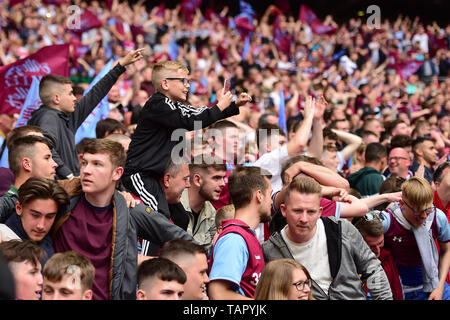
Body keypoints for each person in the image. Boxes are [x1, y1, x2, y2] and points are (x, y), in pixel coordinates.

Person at [51, 138, 195, 300]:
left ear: (117, 173)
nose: (86, 170)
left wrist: (157, 264)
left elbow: (186, 242)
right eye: (84, 163)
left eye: (97, 164)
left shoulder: (130, 210)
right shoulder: (63, 201)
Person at [123, 60, 251, 219]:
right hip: (139, 174)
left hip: (156, 177)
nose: (188, 86)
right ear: (165, 84)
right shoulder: (157, 104)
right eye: (183, 81)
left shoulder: (176, 106)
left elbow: (199, 114)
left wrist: (233, 106)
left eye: (188, 81)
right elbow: (190, 122)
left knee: (181, 219)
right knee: (157, 217)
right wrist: (220, 106)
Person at [262, 176, 393, 300]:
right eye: (297, 211)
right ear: (284, 210)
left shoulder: (342, 230)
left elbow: (373, 270)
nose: (304, 219)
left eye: (311, 212)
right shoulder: (271, 251)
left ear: (320, 212)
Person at [28, 49, 144, 180]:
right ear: (56, 98)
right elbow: (44, 146)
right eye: (70, 93)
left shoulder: (66, 116)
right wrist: (69, 175)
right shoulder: (48, 117)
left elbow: (95, 94)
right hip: (58, 190)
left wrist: (121, 65)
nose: (74, 98)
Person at [380, 177, 450, 300]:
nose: (423, 216)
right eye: (417, 212)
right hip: (400, 289)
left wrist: (439, 287)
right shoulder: (388, 220)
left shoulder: (437, 217)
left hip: (434, 285)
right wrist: (384, 198)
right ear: (402, 204)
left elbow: (447, 250)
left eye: (427, 210)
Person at [208, 166, 273, 299]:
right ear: (259, 195)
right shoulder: (234, 239)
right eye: (270, 195)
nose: (272, 201)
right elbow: (218, 294)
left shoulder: (244, 235)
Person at [1, 177, 69, 265]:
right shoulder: (4, 241)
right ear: (18, 208)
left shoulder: (49, 239)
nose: (41, 225)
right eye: (35, 215)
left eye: (49, 217)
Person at [354, 212, 404, 300]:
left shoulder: (386, 258)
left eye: (380, 243)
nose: (377, 252)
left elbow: (397, 292)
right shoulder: (348, 263)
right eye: (371, 246)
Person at [181, 155, 227, 251]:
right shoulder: (174, 205)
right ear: (197, 180)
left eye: (223, 178)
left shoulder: (212, 213)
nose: (223, 184)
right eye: (216, 178)